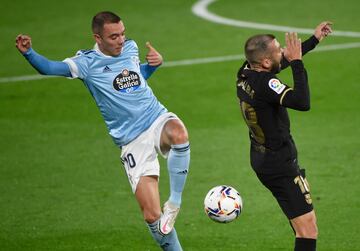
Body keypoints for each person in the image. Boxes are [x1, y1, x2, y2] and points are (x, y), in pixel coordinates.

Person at [15, 11, 190, 251]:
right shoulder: (85, 63)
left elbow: (134, 78)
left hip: (155, 118)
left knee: (179, 134)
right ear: (98, 38)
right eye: (114, 37)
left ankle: (175, 201)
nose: (121, 40)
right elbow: (49, 68)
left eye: (123, 34)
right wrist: (29, 53)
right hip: (131, 140)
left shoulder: (130, 48)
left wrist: (152, 66)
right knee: (152, 216)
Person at [236, 22, 332, 251]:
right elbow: (302, 101)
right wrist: (298, 62)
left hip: (262, 157)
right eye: (279, 49)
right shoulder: (266, 84)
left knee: (301, 225)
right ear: (266, 63)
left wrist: (314, 40)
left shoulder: (245, 72)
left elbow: (276, 66)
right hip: (280, 164)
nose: (284, 52)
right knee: (308, 230)